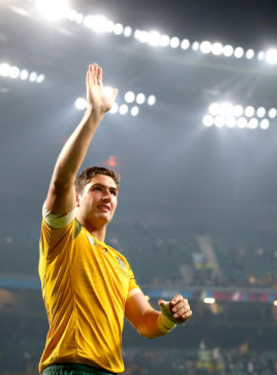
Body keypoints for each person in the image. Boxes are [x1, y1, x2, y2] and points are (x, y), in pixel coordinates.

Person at [38, 64, 192, 374]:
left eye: (113, 191)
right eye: (97, 189)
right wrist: (94, 115)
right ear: (78, 198)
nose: (108, 196)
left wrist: (170, 319)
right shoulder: (63, 237)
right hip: (71, 369)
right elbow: (61, 181)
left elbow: (145, 323)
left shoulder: (120, 264)